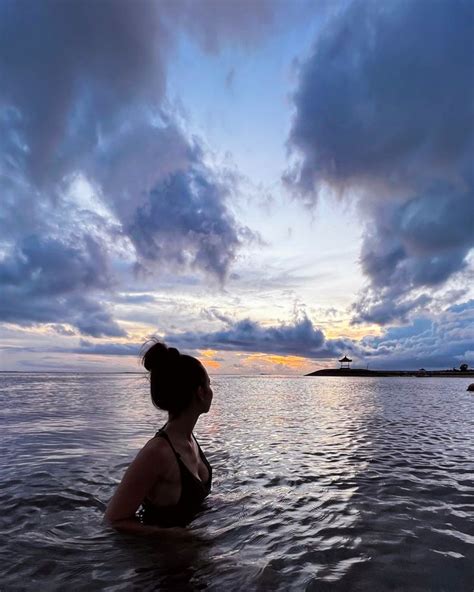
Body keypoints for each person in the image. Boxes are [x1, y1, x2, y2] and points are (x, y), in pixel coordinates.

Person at [104, 341, 213, 535]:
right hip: (162, 559)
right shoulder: (158, 452)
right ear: (200, 392)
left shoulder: (189, 439)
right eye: (209, 384)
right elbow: (113, 520)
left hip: (192, 550)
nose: (211, 391)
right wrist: (170, 535)